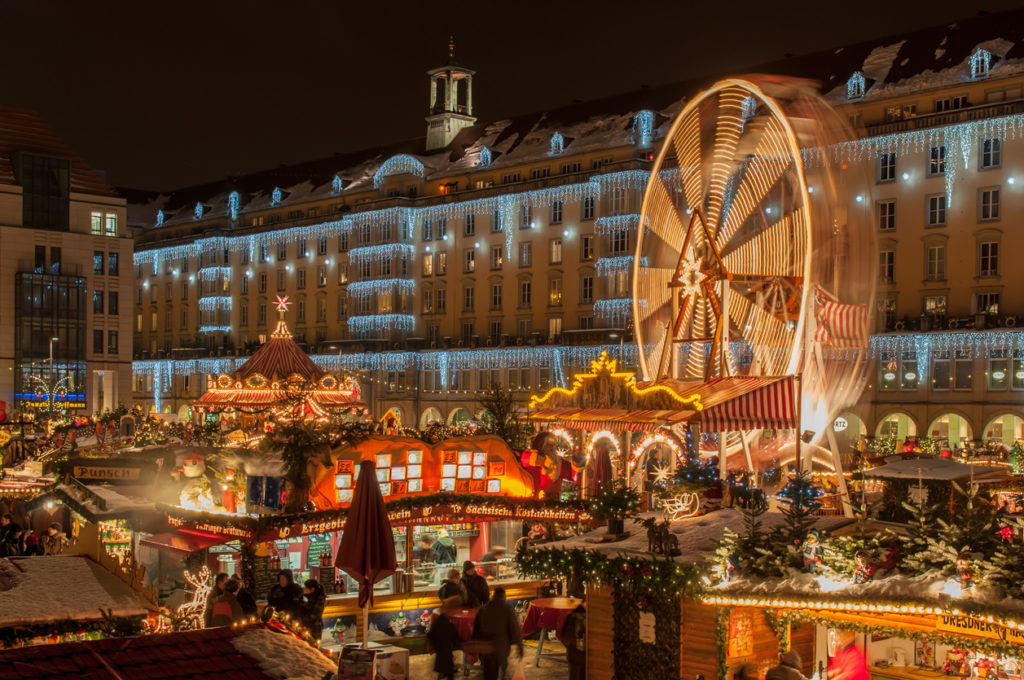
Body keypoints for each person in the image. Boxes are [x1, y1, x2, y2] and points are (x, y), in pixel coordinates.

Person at [472, 587, 523, 680]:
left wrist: (475, 645)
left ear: (493, 596)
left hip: (486, 648)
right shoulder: (507, 609)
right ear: (504, 597)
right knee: (502, 670)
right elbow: (515, 630)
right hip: (501, 647)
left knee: (489, 673)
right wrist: (520, 648)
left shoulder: (483, 608)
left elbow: (476, 628)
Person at [427, 609, 461, 680]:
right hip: (444, 650)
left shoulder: (441, 620)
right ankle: (447, 673)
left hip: (441, 648)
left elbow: (431, 634)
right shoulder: (446, 623)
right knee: (448, 667)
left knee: (446, 666)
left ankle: (446, 673)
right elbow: (454, 637)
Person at [557, 601, 586, 680]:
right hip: (579, 654)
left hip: (573, 652)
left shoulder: (572, 615)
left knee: (575, 673)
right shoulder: (580, 618)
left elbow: (563, 635)